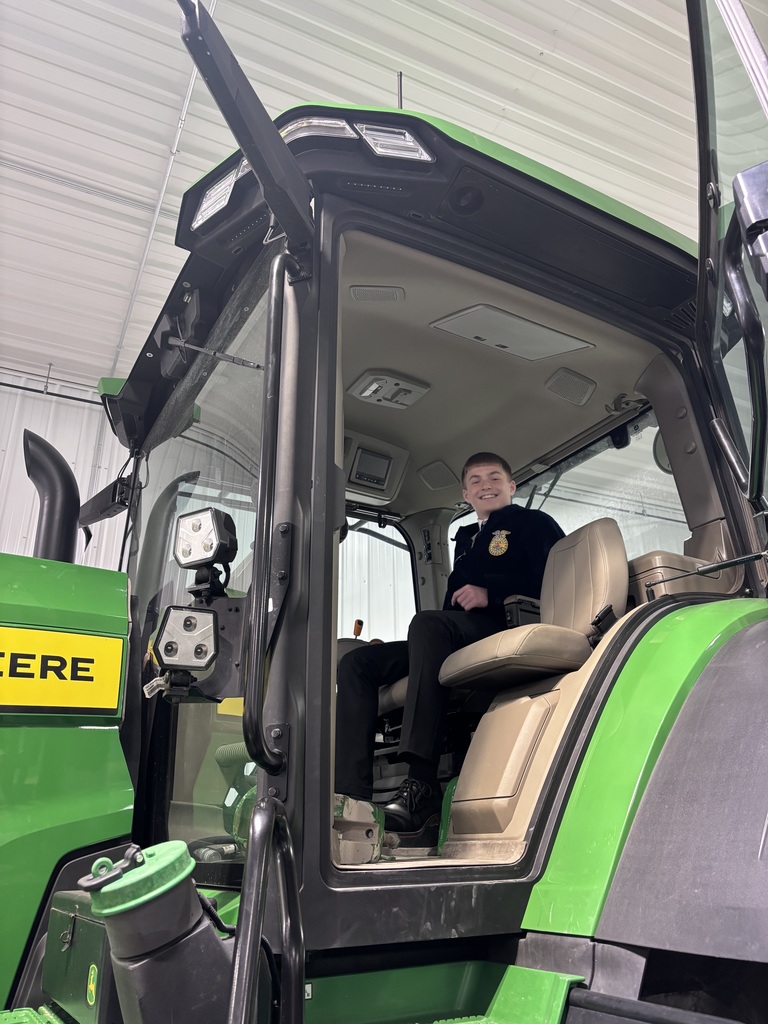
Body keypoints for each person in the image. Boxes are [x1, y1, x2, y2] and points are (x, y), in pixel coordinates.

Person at [334, 452, 564, 840]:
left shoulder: (533, 524)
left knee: (428, 624)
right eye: (476, 481)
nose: (486, 485)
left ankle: (421, 786)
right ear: (465, 493)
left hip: (503, 623)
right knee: (357, 663)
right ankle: (351, 799)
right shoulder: (467, 540)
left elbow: (553, 580)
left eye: (495, 477)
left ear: (511, 486)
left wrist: (491, 594)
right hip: (452, 633)